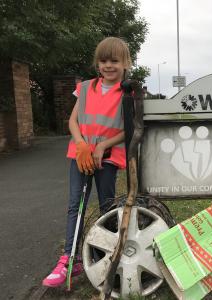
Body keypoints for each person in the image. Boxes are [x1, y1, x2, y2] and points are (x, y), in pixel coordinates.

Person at [42, 37, 131, 287]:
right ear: (97, 63)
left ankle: (108, 256)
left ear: (125, 62)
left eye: (114, 61)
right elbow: (73, 121)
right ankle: (70, 261)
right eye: (103, 61)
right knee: (75, 206)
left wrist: (103, 145)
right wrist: (81, 143)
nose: (108, 65)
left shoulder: (127, 91)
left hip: (107, 158)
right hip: (80, 157)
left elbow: (129, 128)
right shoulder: (85, 88)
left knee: (107, 206)